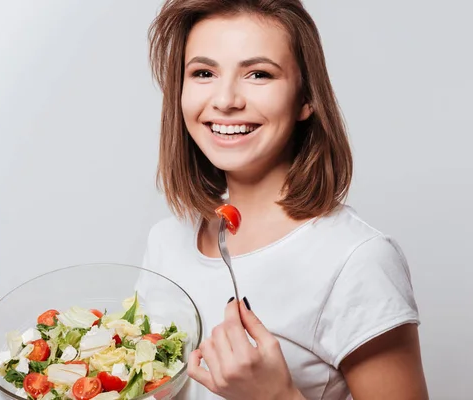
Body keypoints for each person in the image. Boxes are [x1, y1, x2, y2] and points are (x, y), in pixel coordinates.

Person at [139, 0, 429, 399]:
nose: (225, 100)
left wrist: (277, 395)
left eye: (259, 74)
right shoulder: (165, 242)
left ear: (306, 98)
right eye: (203, 73)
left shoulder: (356, 260)